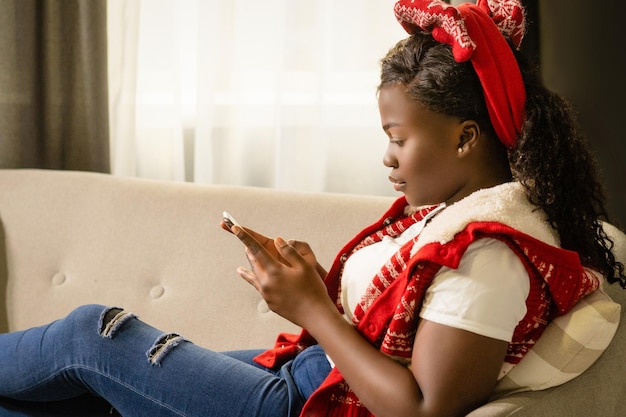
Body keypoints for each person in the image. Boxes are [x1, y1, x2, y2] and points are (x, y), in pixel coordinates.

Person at [1, 1, 624, 416]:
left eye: (398, 138)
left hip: (299, 404)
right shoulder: (461, 218)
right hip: (310, 381)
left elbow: (418, 409)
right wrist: (317, 286)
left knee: (93, 334)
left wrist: (313, 310)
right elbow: (398, 330)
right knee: (78, 393)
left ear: (464, 137)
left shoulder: (489, 254)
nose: (389, 158)